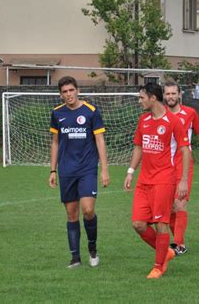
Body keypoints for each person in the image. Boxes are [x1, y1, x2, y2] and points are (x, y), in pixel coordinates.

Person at [124, 83, 190, 279]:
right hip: (144, 181)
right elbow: (138, 147)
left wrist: (183, 180)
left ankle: (158, 266)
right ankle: (166, 252)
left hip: (164, 180)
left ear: (153, 98)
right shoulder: (143, 120)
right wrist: (130, 171)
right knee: (138, 224)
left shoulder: (173, 121)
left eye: (142, 97)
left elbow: (185, 150)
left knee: (161, 224)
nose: (139, 101)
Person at [49, 76, 110, 268]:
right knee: (71, 214)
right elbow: (55, 142)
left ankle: (92, 247)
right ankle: (75, 257)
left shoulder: (91, 111)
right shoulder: (57, 113)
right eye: (65, 92)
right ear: (61, 95)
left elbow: (100, 140)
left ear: (78, 90)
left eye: (71, 90)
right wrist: (53, 170)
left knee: (88, 210)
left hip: (87, 168)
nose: (68, 94)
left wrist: (104, 169)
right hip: (66, 170)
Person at [163, 79, 199, 255]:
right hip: (163, 166)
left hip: (183, 164)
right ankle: (181, 243)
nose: (170, 97)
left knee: (180, 204)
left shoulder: (190, 113)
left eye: (173, 93)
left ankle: (177, 245)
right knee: (168, 208)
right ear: (164, 96)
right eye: (167, 93)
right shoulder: (160, 114)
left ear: (179, 95)